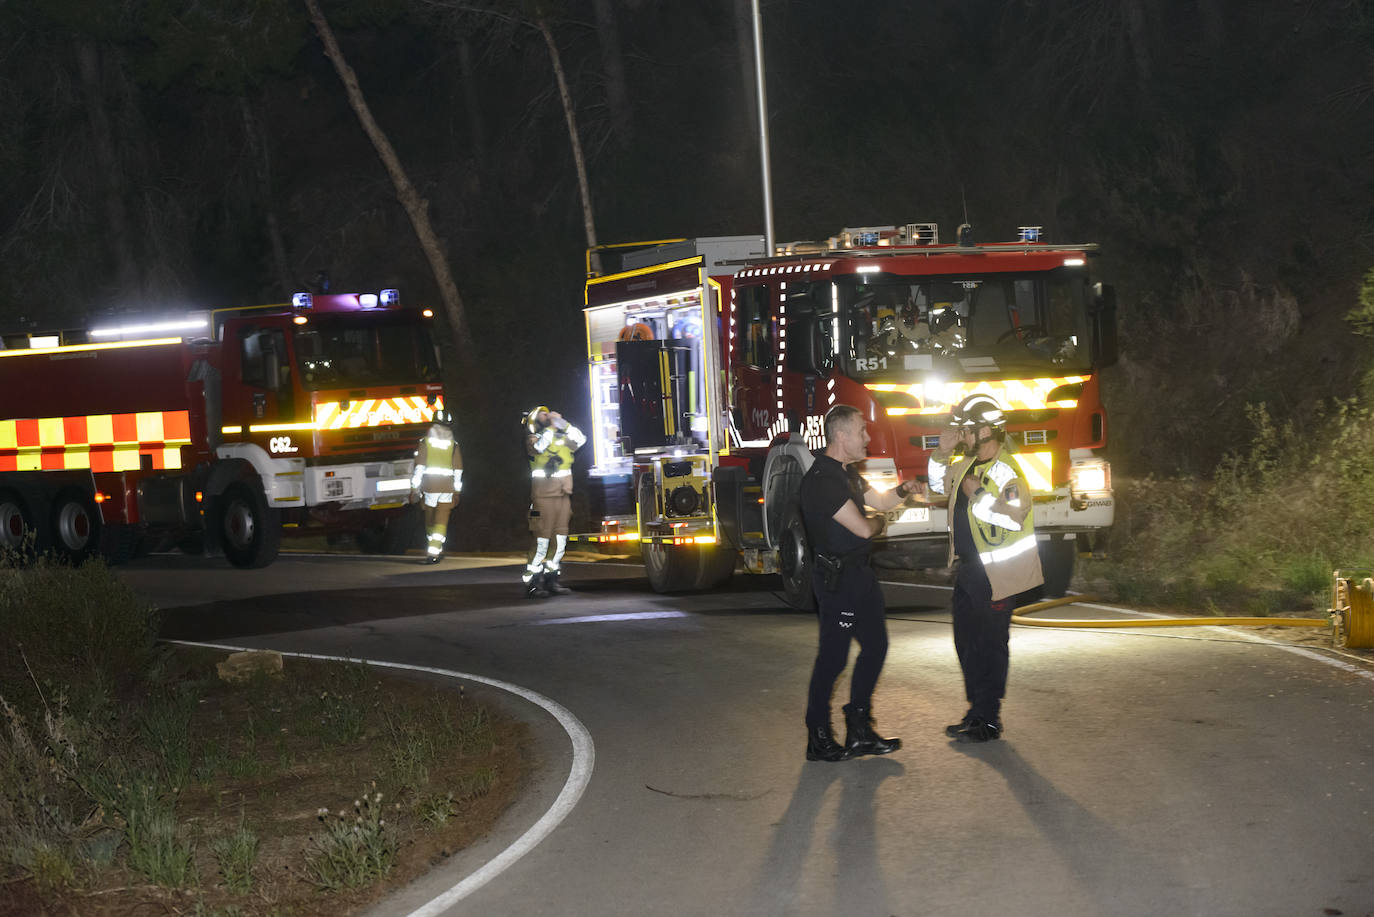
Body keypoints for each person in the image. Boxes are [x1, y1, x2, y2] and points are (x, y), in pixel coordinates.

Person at [800, 404, 923, 762]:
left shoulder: (848, 474)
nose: (868, 437)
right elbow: (864, 528)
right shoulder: (823, 481)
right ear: (841, 436)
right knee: (834, 658)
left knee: (876, 646)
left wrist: (904, 490)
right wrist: (879, 525)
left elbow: (881, 502)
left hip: (860, 578)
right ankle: (818, 736)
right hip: (839, 585)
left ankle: (859, 729)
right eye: (862, 431)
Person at [927, 393, 1043, 742]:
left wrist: (978, 495)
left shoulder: (1007, 470)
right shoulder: (966, 466)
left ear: (989, 430)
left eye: (969, 429)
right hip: (968, 571)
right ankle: (976, 710)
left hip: (996, 575)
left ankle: (989, 717)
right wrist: (940, 453)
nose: (964, 434)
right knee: (967, 643)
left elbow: (1013, 518)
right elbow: (936, 487)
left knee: (991, 644)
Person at [523, 405, 586, 597]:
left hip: (563, 494)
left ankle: (552, 580)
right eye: (543, 414)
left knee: (560, 541)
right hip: (543, 496)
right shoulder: (533, 439)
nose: (547, 415)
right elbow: (540, 447)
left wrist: (564, 424)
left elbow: (581, 439)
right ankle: (533, 583)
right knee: (542, 541)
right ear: (536, 420)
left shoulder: (561, 437)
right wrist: (551, 427)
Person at [412, 409, 462, 564]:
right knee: (442, 520)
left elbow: (419, 467)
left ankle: (432, 552)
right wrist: (457, 492)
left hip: (430, 487)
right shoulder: (453, 445)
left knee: (430, 519)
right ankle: (435, 551)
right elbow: (458, 470)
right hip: (447, 488)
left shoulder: (425, 442)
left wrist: (414, 488)